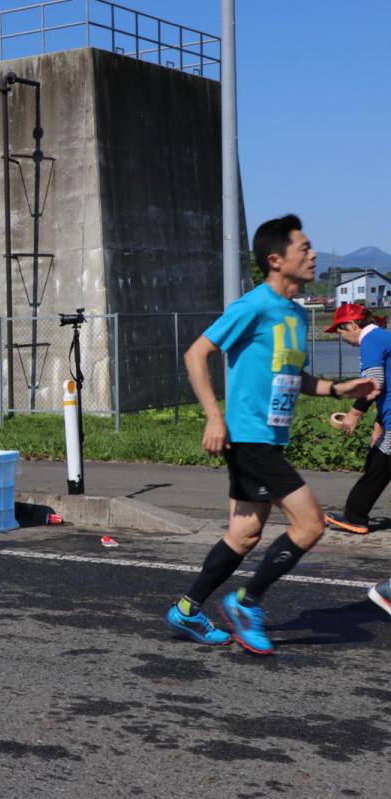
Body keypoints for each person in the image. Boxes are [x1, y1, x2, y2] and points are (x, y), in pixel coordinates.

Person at [163, 214, 376, 655]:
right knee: (311, 523)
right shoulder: (254, 306)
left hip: (269, 440)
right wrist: (213, 417)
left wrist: (338, 388)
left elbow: (294, 376)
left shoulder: (296, 314)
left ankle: (187, 609)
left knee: (243, 536)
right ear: (276, 260)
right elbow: (196, 353)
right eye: (304, 248)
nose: (313, 254)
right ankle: (247, 602)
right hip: (248, 438)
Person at [321, 303, 391, 536]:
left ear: (352, 324)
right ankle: (355, 515)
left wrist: (354, 414)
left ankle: (355, 516)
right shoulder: (382, 337)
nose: (340, 337)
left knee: (378, 467)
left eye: (340, 331)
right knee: (379, 465)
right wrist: (379, 423)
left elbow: (373, 384)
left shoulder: (371, 340)